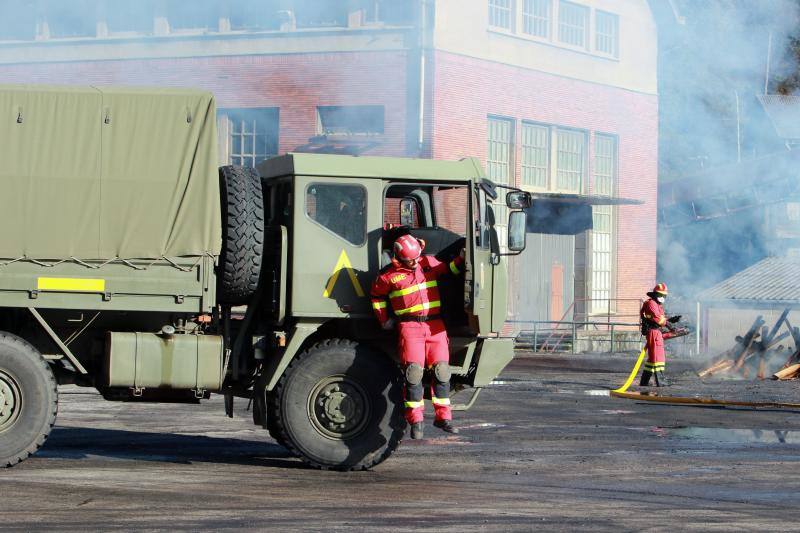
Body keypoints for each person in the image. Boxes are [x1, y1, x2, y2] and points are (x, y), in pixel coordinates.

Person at [370, 234, 464, 439]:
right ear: (399, 258)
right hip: (410, 327)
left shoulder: (427, 263)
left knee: (442, 372)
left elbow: (450, 270)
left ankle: (443, 418)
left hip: (435, 325)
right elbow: (376, 296)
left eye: (417, 257)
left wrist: (461, 258)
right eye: (410, 260)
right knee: (413, 375)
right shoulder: (388, 276)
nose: (415, 262)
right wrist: (383, 319)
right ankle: (416, 421)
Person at [639, 283, 680, 387]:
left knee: (652, 359)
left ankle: (645, 381)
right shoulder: (651, 303)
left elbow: (660, 318)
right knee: (658, 357)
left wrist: (670, 320)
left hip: (656, 331)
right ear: (655, 294)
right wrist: (670, 325)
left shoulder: (657, 304)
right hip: (653, 331)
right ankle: (660, 381)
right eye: (660, 295)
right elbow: (658, 319)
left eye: (664, 295)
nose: (662, 297)